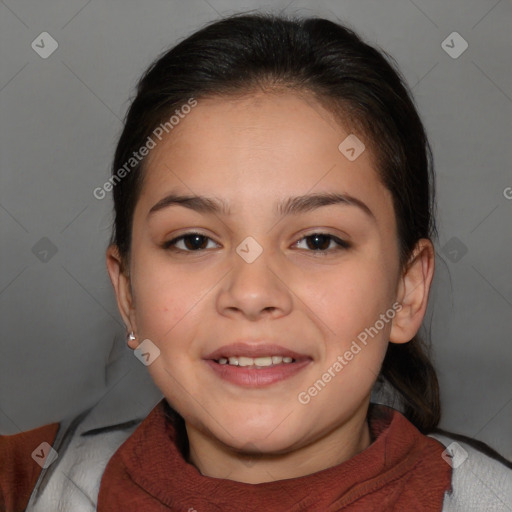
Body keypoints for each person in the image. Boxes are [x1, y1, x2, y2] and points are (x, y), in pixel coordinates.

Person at [1, 12, 511, 512]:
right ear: (128, 292)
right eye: (194, 241)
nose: (250, 293)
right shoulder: (23, 487)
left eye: (317, 241)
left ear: (408, 290)